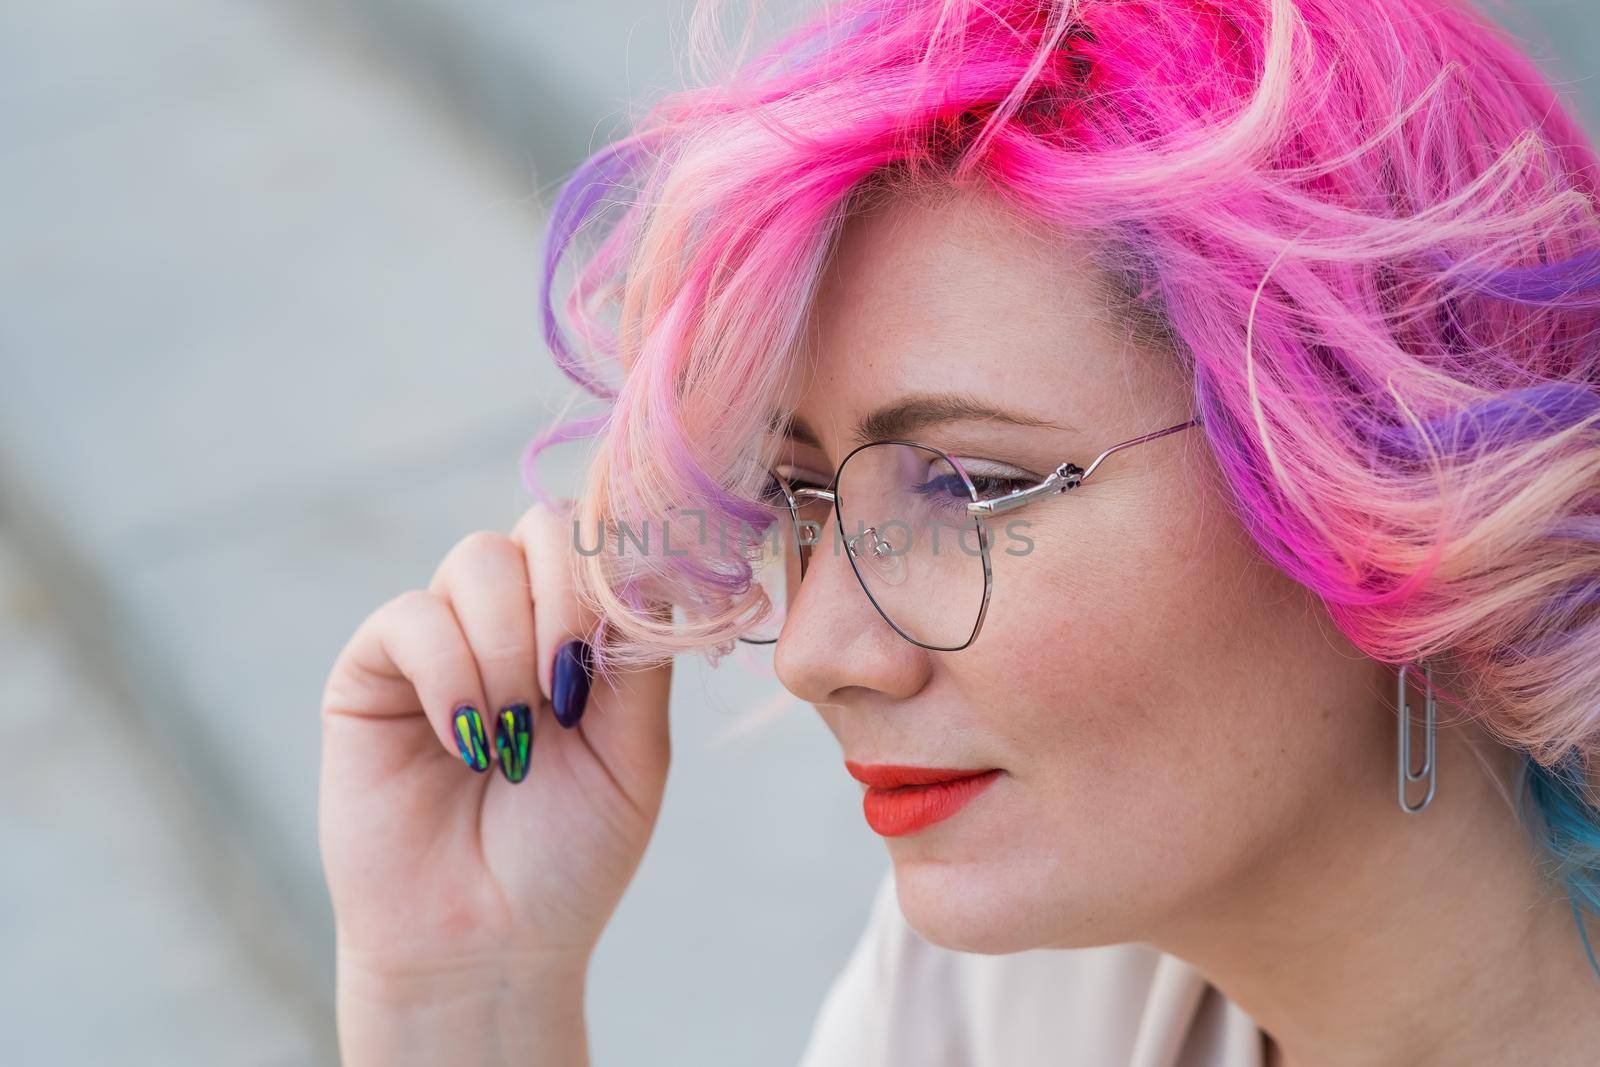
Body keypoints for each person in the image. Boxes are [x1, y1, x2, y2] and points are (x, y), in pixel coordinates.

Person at [318, 0, 1600, 1063]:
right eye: (800, 497)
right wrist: (464, 997)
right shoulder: (997, 1005)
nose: (815, 650)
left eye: (967, 489)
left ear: (1391, 472)